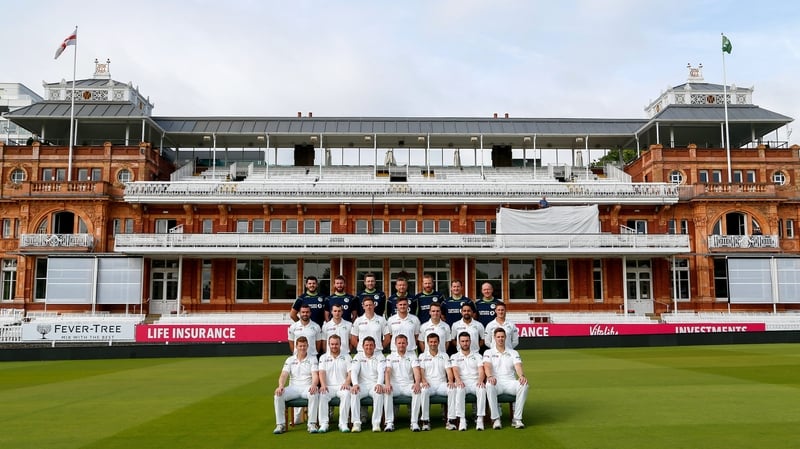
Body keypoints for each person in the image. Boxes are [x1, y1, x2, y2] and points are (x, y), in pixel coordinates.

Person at [483, 327, 529, 430]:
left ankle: (517, 419)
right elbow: (487, 366)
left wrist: (521, 376)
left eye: (502, 337)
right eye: (498, 337)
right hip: (496, 383)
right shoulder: (488, 352)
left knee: (524, 384)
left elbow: (518, 366)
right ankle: (496, 419)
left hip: (510, 382)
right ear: (494, 338)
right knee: (489, 384)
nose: (500, 339)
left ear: (505, 337)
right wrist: (490, 376)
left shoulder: (513, 352)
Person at [273, 336, 320, 434]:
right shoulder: (290, 360)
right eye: (300, 346)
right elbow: (283, 375)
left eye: (304, 346)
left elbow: (315, 375)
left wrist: (314, 385)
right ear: (296, 347)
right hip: (293, 388)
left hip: (307, 387)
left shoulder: (312, 359)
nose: (302, 348)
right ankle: (280, 425)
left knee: (314, 394)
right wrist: (281, 386)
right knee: (278, 395)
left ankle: (311, 424)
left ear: (307, 346)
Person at [384, 334, 424, 432]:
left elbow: (416, 371)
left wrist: (417, 383)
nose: (401, 345)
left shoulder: (412, 356)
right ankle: (389, 423)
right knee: (386, 391)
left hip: (408, 385)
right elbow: (388, 371)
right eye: (399, 343)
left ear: (407, 344)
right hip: (395, 386)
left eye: (403, 343)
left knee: (418, 390)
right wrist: (388, 384)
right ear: (395, 344)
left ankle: (414, 422)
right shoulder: (390, 356)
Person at [449, 331, 488, 431]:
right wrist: (458, 380)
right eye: (462, 341)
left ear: (470, 342)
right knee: (460, 389)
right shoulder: (454, 356)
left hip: (475, 382)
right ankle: (462, 419)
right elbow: (455, 370)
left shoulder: (478, 356)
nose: (465, 343)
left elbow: (481, 370)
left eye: (467, 341)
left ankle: (479, 419)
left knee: (482, 389)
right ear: (459, 342)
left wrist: (480, 380)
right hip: (462, 382)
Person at [349, 336, 387, 433]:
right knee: (354, 393)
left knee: (379, 393)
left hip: (375, 384)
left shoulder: (380, 356)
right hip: (362, 385)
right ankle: (356, 424)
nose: (369, 347)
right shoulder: (358, 356)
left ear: (374, 346)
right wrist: (355, 384)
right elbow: (354, 371)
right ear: (362, 346)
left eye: (371, 345)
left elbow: (381, 371)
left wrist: (379, 384)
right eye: (366, 345)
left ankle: (376, 424)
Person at [417, 333, 453, 431]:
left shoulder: (444, 355)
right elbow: (421, 371)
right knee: (423, 390)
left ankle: (450, 420)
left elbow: (449, 371)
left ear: (438, 342)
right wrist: (424, 381)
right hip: (429, 384)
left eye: (435, 342)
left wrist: (450, 381)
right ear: (427, 343)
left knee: (452, 389)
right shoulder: (422, 356)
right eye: (431, 342)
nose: (433, 344)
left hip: (441, 384)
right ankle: (425, 421)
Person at [317, 334, 352, 433]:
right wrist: (323, 385)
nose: (334, 346)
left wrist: (347, 382)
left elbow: (350, 372)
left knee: (346, 394)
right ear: (328, 344)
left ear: (340, 344)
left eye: (336, 344)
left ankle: (343, 423)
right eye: (332, 344)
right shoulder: (323, 357)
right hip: (328, 387)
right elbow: (321, 372)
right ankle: (324, 424)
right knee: (323, 394)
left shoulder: (347, 357)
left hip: (342, 386)